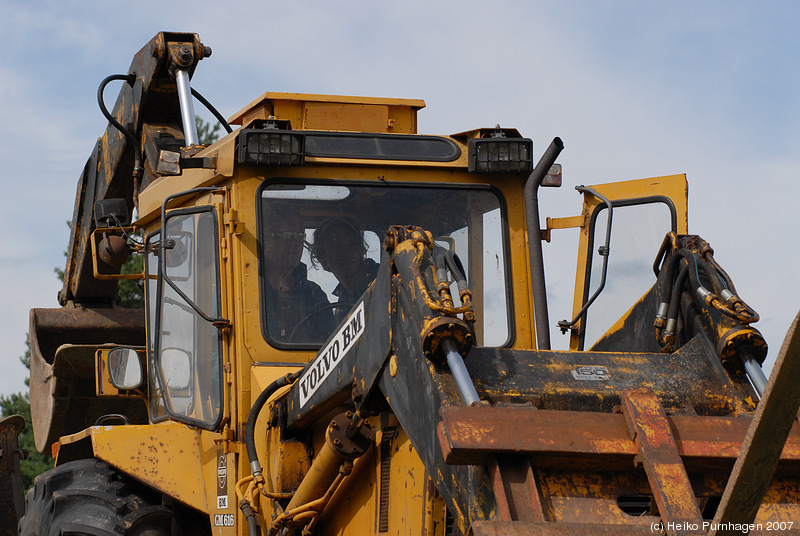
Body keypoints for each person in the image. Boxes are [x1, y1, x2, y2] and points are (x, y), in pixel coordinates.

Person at [262, 203, 333, 343]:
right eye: (285, 234)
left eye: (299, 235)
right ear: (266, 238)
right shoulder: (248, 290)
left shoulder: (314, 295)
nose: (294, 242)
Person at [311, 217, 379, 320]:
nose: (347, 253)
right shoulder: (342, 304)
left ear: (361, 248)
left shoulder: (383, 279)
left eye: (351, 245)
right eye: (337, 247)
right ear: (322, 258)